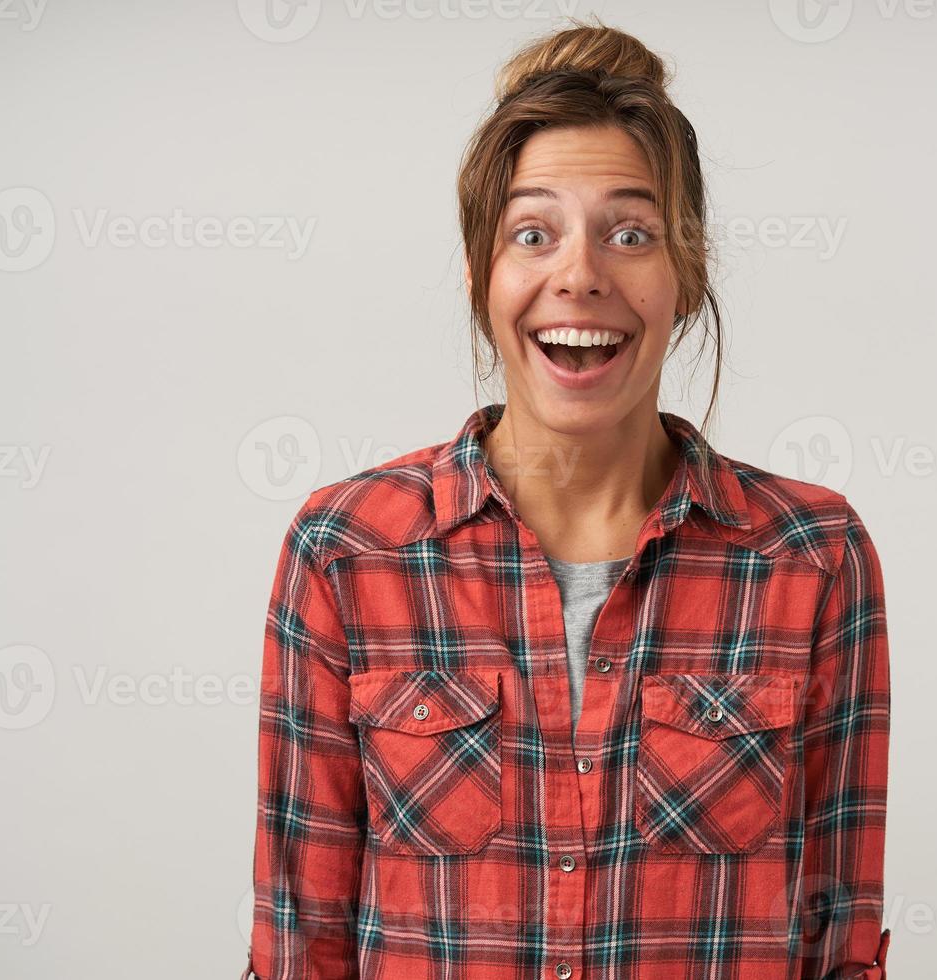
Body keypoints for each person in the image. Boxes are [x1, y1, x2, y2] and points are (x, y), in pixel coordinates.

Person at [242, 17, 891, 979]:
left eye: (630, 233)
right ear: (480, 275)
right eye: (532, 233)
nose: (579, 275)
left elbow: (841, 948)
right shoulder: (347, 552)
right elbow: (300, 950)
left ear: (687, 275)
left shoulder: (812, 557)